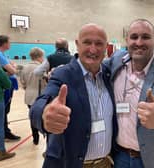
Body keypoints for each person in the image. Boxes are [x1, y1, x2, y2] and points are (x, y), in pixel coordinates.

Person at [30, 23, 117, 168]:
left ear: (106, 47)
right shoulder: (62, 74)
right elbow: (39, 105)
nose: (93, 49)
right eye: (87, 42)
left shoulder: (109, 74)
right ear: (77, 44)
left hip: (106, 163)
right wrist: (44, 114)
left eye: (99, 44)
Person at [107, 18, 154, 168]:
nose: (139, 43)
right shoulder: (116, 61)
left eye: (146, 37)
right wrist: (61, 70)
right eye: (134, 37)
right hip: (120, 156)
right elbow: (91, 67)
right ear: (126, 40)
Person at [0, 35, 21, 141]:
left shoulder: (2, 54)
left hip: (7, 85)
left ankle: (1, 131)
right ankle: (4, 132)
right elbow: (13, 70)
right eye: (9, 42)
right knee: (4, 109)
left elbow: (12, 65)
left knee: (4, 109)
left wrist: (13, 67)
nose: (10, 44)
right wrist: (13, 68)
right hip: (5, 86)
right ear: (4, 43)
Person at [20, 47, 47, 145]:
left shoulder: (25, 67)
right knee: (44, 117)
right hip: (40, 97)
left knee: (32, 117)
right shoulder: (41, 68)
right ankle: (46, 137)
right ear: (40, 56)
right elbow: (46, 83)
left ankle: (35, 138)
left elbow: (23, 83)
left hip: (29, 96)